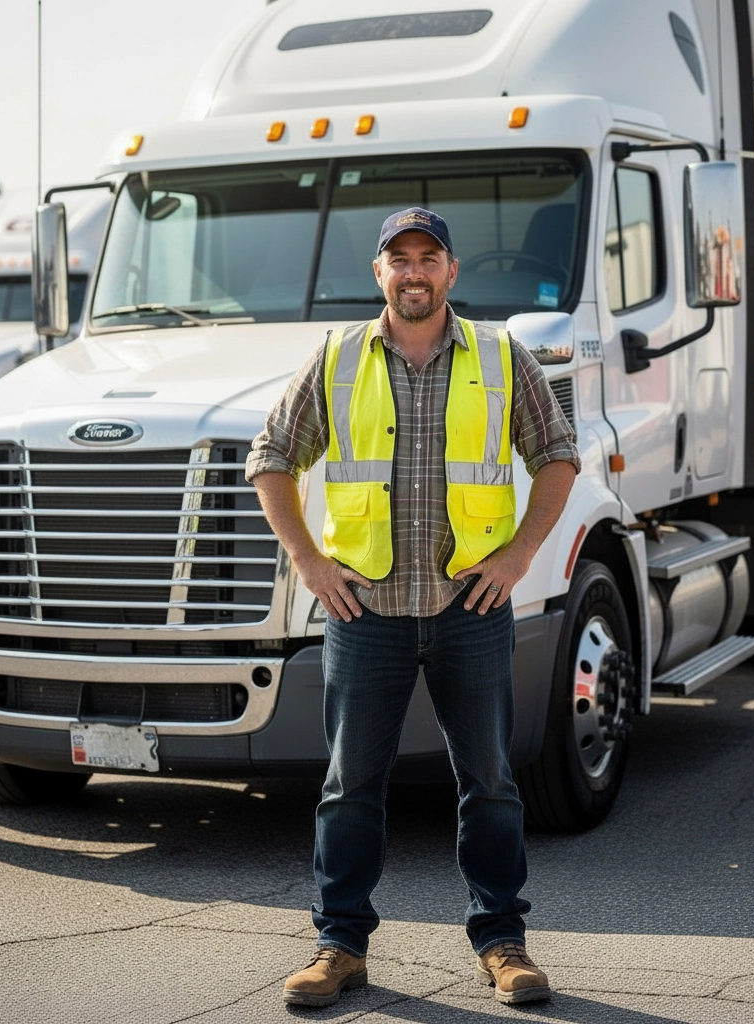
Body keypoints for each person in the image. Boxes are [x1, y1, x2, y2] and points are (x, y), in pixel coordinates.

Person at [245, 206, 580, 1008]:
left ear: (452, 272)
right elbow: (271, 460)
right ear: (380, 274)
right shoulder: (337, 358)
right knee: (348, 784)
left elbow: (558, 457)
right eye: (400, 258)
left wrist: (519, 554)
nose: (415, 271)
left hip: (472, 606)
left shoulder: (501, 357)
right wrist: (309, 562)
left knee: (491, 782)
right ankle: (339, 948)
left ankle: (502, 942)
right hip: (367, 614)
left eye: (430, 257)